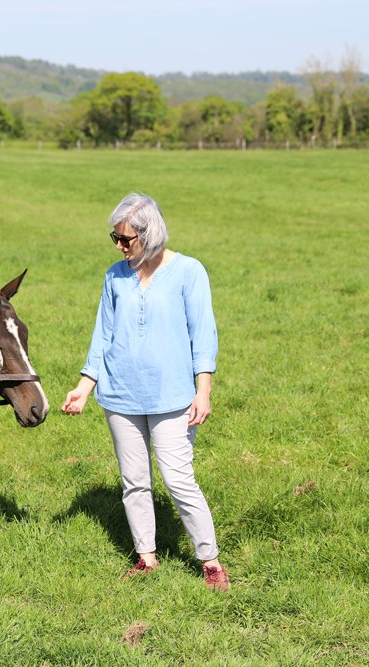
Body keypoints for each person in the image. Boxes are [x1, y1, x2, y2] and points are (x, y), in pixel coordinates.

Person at [61, 192, 229, 591]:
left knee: (178, 479)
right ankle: (147, 557)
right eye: (115, 238)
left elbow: (203, 334)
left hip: (173, 397)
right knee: (134, 481)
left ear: (149, 234)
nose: (119, 246)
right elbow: (103, 335)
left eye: (126, 239)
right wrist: (85, 386)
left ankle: (210, 561)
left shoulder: (188, 271)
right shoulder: (114, 276)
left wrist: (203, 390)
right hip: (120, 395)